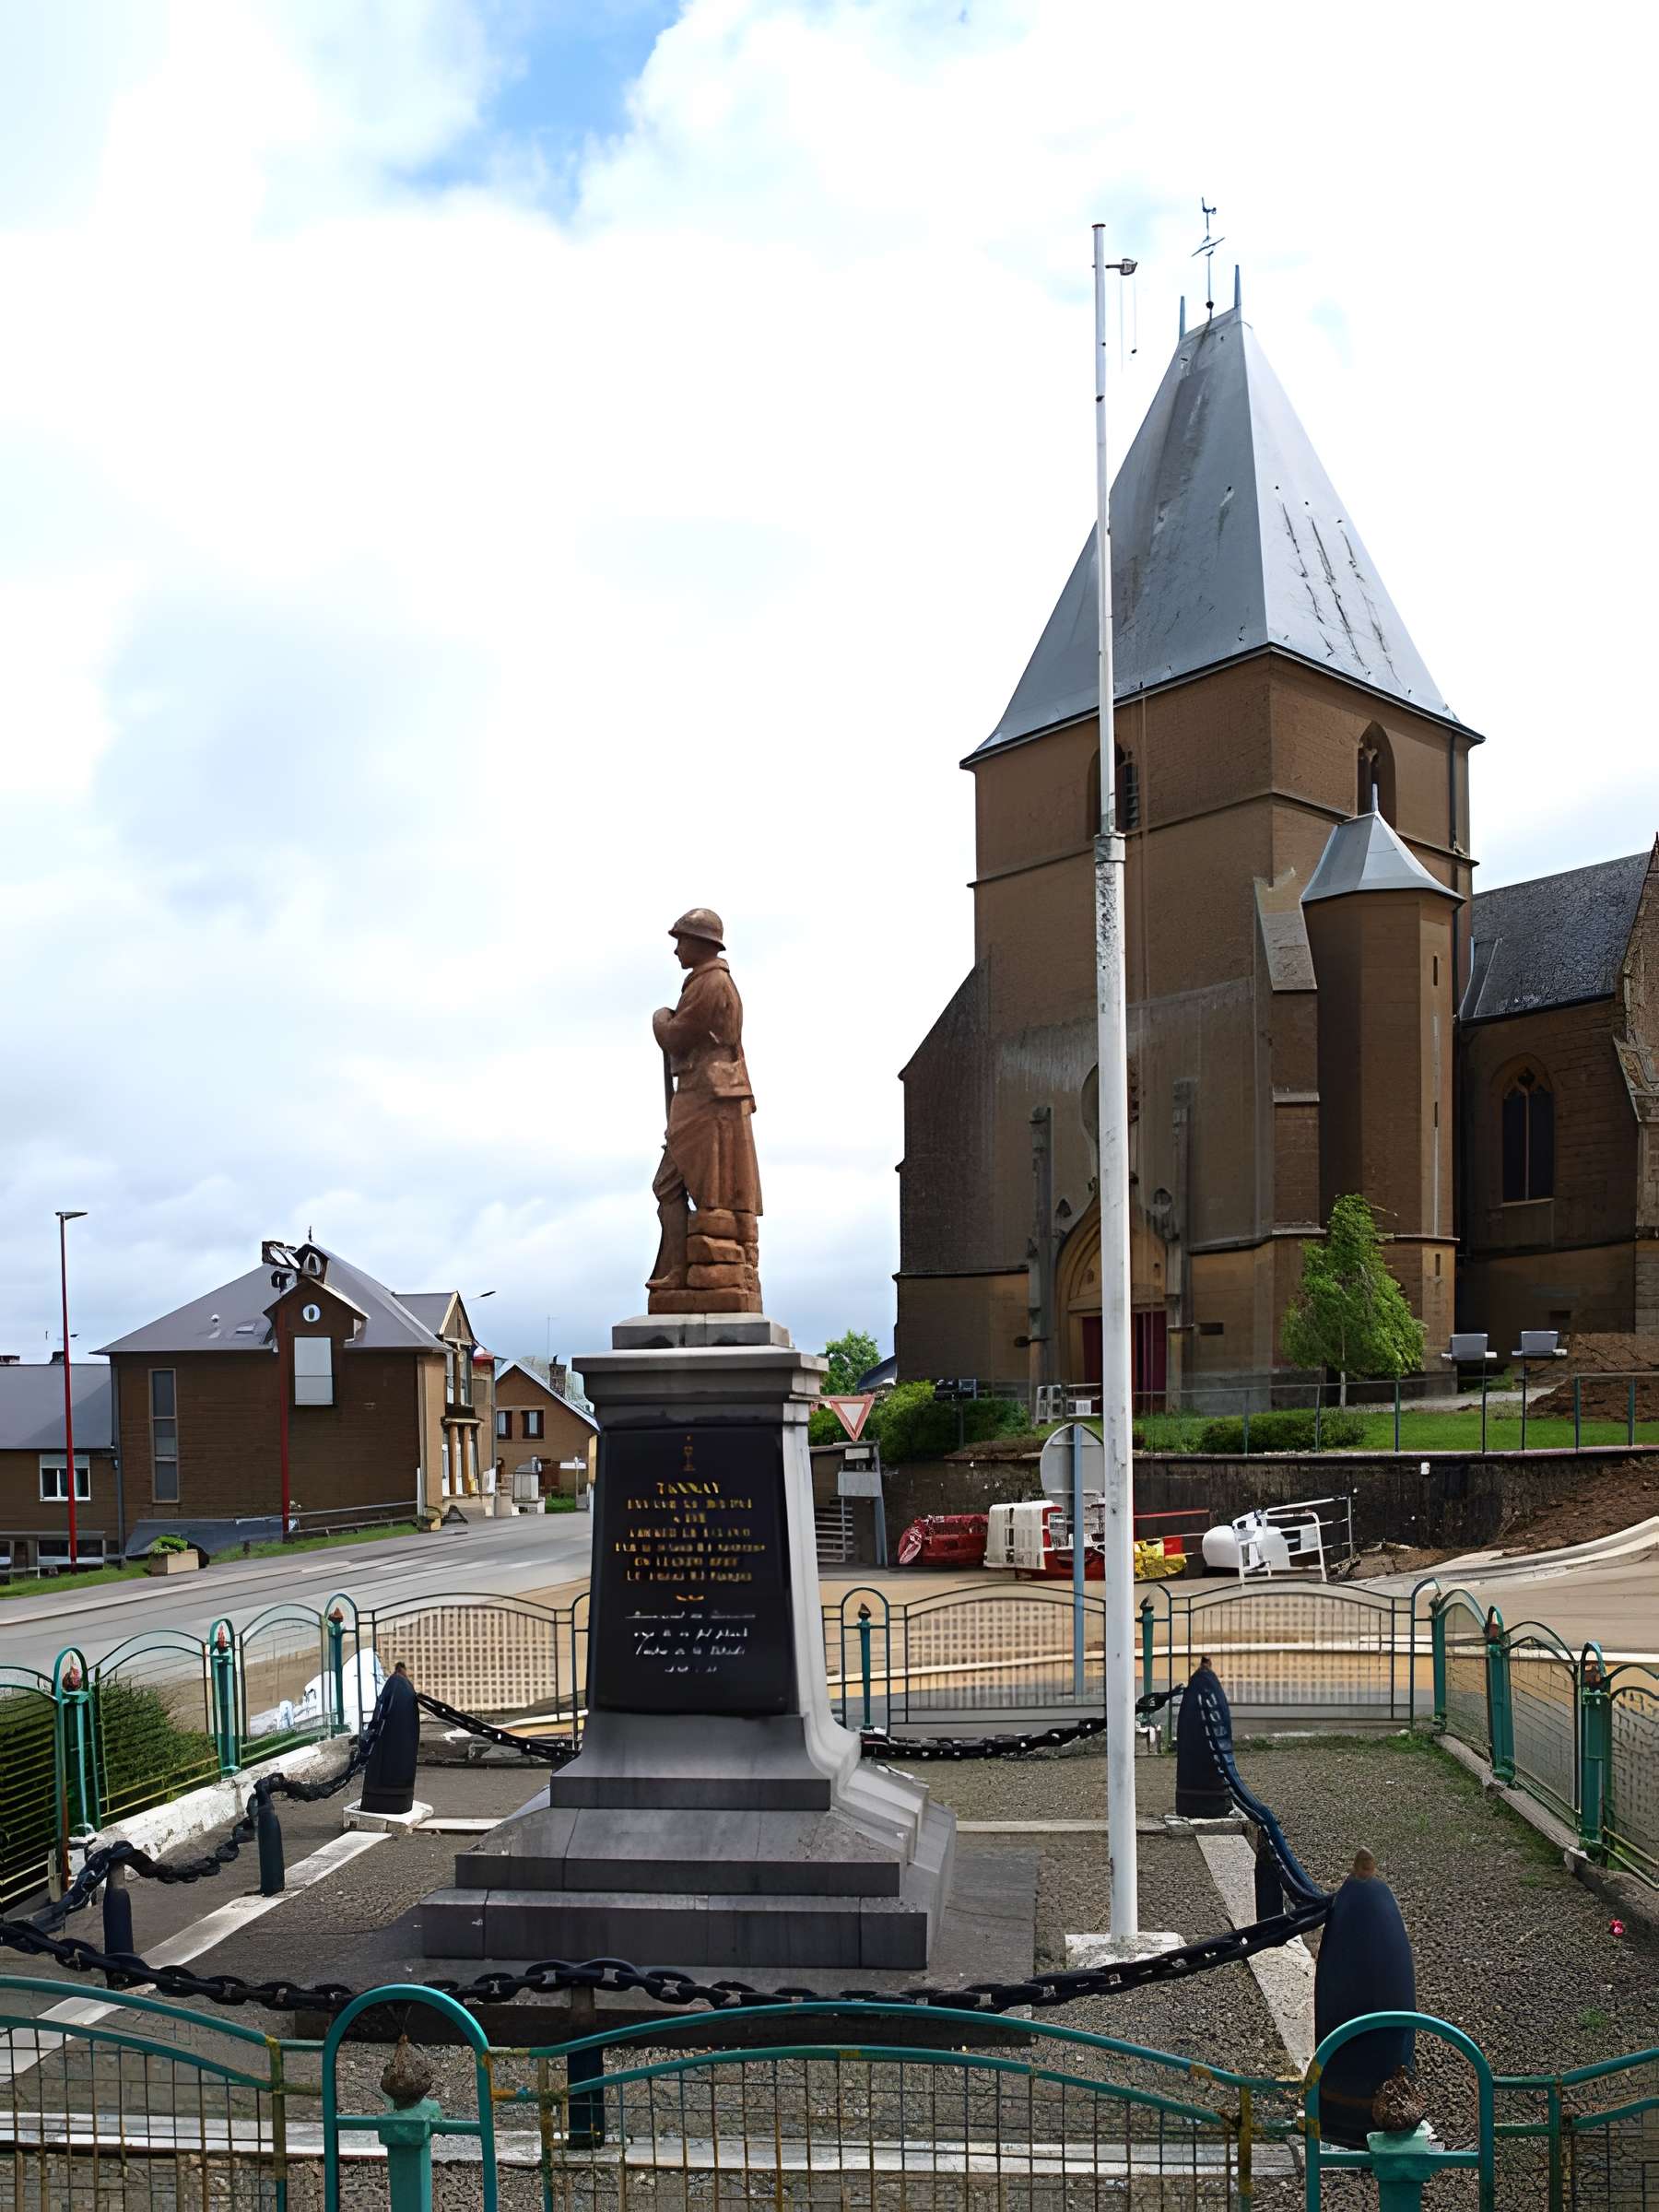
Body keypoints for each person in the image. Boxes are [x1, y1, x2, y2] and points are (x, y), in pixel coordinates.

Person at [648, 908, 762, 1309]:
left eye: (681, 940)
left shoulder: (711, 983)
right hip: (704, 1093)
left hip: (706, 1095)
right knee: (681, 1186)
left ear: (702, 944)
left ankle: (677, 1271)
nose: (677, 949)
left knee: (675, 1185)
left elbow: (678, 1037)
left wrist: (660, 1020)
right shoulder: (706, 982)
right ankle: (676, 1270)